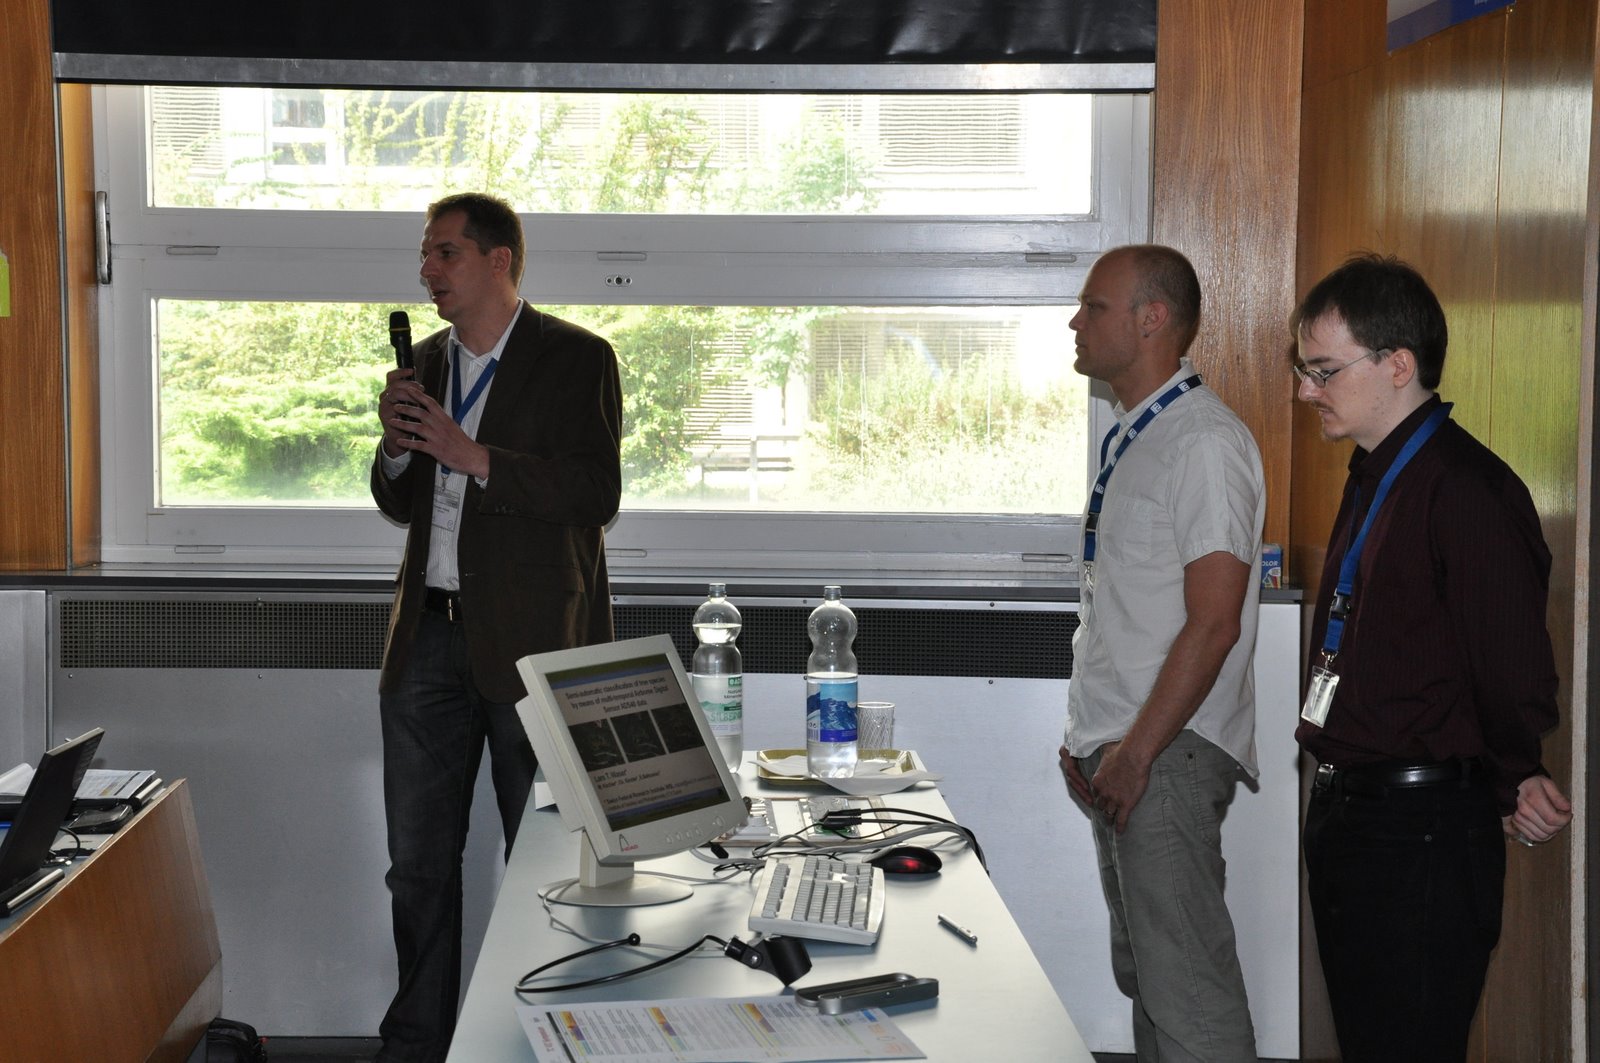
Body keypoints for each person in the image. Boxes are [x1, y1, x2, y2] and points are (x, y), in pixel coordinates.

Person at [1292, 253, 1572, 1062]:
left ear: (1397, 364)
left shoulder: (1465, 489)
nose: (1306, 390)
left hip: (1419, 831)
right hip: (1351, 810)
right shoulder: (1376, 475)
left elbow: (1508, 662)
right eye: (1304, 369)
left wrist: (1516, 770)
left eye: (1323, 370)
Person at [371, 192, 623, 1062]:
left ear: (498, 261)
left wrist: (473, 455)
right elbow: (399, 500)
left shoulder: (578, 357)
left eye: (443, 253)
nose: (426, 270)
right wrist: (397, 444)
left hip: (532, 648)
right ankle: (417, 1045)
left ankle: (544, 1039)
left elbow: (596, 493)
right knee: (417, 867)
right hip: (427, 639)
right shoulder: (427, 363)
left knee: (544, 861)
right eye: (425, 254)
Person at [1057, 244, 1264, 1062]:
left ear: (1153, 319)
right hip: (1129, 748)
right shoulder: (1137, 434)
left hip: (1165, 754)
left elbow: (1213, 623)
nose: (1075, 322)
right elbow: (1127, 609)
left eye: (1094, 306)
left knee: (1190, 995)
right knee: (1150, 979)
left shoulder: (1203, 443)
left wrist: (1135, 752)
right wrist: (1091, 737)